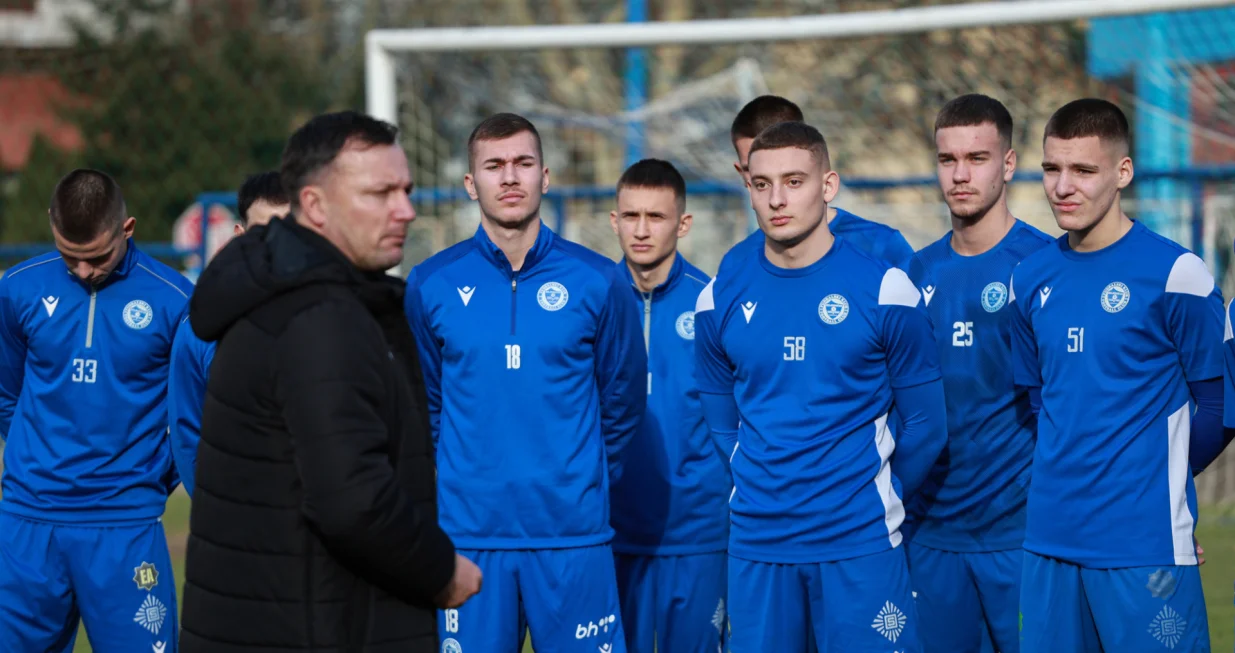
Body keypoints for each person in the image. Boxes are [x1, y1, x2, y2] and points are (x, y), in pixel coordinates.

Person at [180, 110, 480, 653]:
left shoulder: (303, 294)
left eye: (406, 190)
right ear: (314, 205)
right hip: (310, 630)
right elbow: (352, 501)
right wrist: (441, 570)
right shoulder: (317, 317)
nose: (406, 210)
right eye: (380, 193)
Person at [694, 121, 946, 652]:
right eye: (761, 185)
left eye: (794, 181)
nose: (777, 199)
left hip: (859, 543)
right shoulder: (719, 298)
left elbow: (926, 422)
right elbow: (721, 423)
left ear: (828, 186)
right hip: (759, 545)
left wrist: (881, 495)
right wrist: (761, 483)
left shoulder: (885, 289)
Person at [404, 112, 647, 653]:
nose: (509, 177)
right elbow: (427, 405)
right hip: (468, 539)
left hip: (572, 537)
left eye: (523, 163)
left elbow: (623, 401)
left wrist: (576, 478)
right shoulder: (430, 283)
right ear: (471, 183)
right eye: (493, 166)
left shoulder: (599, 280)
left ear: (546, 176)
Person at [1010, 98, 1226, 652]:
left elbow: (1221, 408)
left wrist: (1164, 483)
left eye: (1083, 170)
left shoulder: (1178, 274)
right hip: (1048, 541)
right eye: (1052, 169)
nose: (1063, 186)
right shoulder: (1028, 280)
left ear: (1122, 172)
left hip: (1142, 546)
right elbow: (1038, 404)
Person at [0, 169, 193, 651]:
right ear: (51, 224)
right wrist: (39, 461)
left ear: (127, 229)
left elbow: (189, 414)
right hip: (27, 526)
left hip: (124, 529)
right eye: (71, 257)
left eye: (98, 257)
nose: (84, 271)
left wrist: (144, 477)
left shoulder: (175, 301)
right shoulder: (18, 289)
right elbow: (7, 393)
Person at [903, 94, 1052, 653]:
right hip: (929, 535)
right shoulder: (911, 275)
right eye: (948, 160)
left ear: (1008, 165)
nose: (961, 175)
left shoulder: (1043, 268)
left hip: (1022, 535)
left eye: (978, 158)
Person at [607, 158, 729, 653]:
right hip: (609, 530)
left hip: (697, 533)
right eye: (630, 216)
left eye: (655, 218)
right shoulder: (590, 301)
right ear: (613, 220)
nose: (641, 230)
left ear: (683, 224)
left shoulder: (713, 304)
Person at [168, 170, 289, 496]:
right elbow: (187, 429)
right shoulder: (201, 325)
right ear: (240, 235)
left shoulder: (341, 313)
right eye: (264, 232)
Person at [726, 94, 916, 268]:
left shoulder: (879, 246)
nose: (775, 197)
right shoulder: (738, 261)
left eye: (791, 178)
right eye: (754, 171)